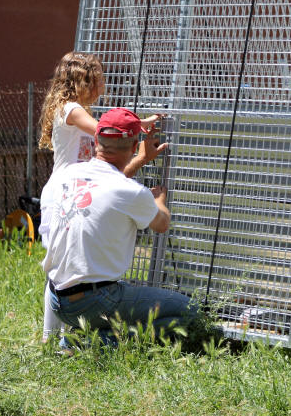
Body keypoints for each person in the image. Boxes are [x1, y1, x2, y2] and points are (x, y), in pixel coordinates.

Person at [42, 108, 196, 346]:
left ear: (96, 140)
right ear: (135, 146)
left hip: (57, 300)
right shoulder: (132, 192)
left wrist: (140, 162)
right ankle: (91, 342)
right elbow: (162, 223)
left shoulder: (68, 174)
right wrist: (158, 201)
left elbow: (107, 184)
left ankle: (83, 335)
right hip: (97, 300)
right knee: (189, 311)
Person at [38, 51, 159, 342]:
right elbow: (107, 131)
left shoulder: (79, 109)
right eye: (99, 78)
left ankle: (65, 334)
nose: (103, 84)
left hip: (81, 189)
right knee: (59, 267)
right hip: (63, 192)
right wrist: (138, 124)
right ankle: (49, 337)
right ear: (82, 80)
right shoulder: (69, 109)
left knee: (70, 267)